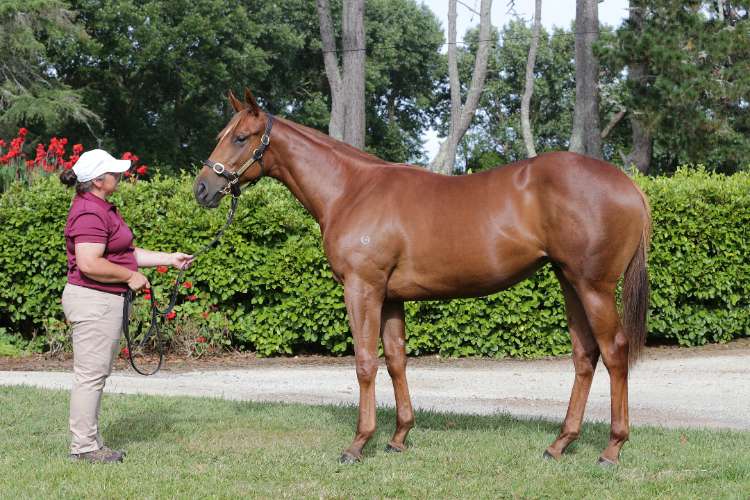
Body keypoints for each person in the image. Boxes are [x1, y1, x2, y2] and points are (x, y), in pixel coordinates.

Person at [59, 149, 193, 463]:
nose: (119, 176)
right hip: (93, 300)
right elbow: (89, 263)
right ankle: (84, 448)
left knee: (95, 374)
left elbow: (124, 253)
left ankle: (89, 443)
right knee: (90, 375)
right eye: (113, 172)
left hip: (101, 300)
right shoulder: (90, 213)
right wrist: (129, 276)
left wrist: (169, 259)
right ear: (97, 180)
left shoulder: (100, 208)